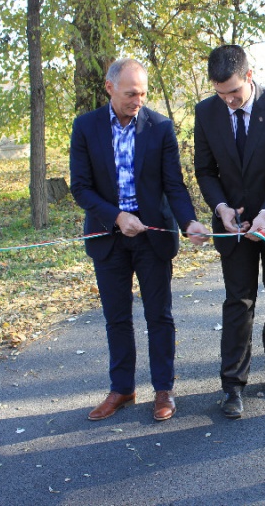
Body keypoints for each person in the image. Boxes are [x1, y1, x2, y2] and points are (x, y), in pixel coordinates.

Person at [70, 57, 210, 422]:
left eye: (143, 94)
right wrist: (117, 217)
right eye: (131, 93)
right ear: (110, 88)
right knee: (116, 318)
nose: (138, 100)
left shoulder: (160, 127)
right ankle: (122, 389)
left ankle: (163, 389)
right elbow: (80, 187)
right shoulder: (85, 127)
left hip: (152, 238)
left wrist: (189, 222)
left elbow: (173, 184)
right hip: (108, 237)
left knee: (159, 316)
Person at [194, 45, 265, 419]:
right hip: (233, 225)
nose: (228, 101)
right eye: (220, 93)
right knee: (238, 302)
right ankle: (232, 384)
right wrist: (221, 208)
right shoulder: (205, 112)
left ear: (249, 75)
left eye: (234, 92)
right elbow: (205, 171)